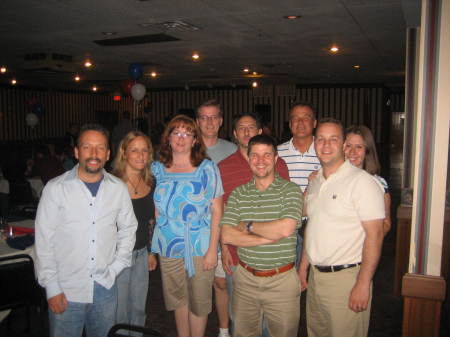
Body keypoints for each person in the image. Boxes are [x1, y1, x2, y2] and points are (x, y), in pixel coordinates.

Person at [35, 124, 138, 337]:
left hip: (105, 288)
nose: (94, 154)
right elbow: (44, 241)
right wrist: (52, 287)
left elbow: (128, 229)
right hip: (66, 289)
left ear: (108, 154)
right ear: (76, 152)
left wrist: (116, 267)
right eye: (87, 147)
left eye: (100, 148)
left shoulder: (118, 188)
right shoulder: (56, 189)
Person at [299, 118, 385, 337]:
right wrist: (303, 269)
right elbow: (314, 229)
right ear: (314, 143)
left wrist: (363, 283)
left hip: (347, 279)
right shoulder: (316, 181)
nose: (326, 145)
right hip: (316, 279)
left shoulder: (363, 182)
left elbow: (375, 236)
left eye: (333, 139)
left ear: (343, 144)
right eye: (320, 139)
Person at [221, 134, 303, 337]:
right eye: (255, 156)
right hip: (245, 279)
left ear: (276, 159)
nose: (260, 161)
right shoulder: (239, 194)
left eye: (267, 155)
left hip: (282, 280)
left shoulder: (291, 190)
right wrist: (268, 237)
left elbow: (286, 228)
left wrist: (248, 225)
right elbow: (227, 235)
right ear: (248, 159)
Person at [151, 115, 223, 337]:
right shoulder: (157, 169)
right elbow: (156, 210)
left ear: (195, 140)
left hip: (200, 245)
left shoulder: (206, 168)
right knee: (177, 299)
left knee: (199, 301)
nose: (181, 138)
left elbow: (217, 210)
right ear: (168, 138)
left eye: (187, 133)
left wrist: (213, 249)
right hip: (168, 245)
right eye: (176, 132)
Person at [196, 99, 236, 337]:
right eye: (204, 117)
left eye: (214, 117)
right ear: (197, 121)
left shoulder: (232, 150)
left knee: (221, 282)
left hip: (223, 226)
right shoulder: (187, 147)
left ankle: (223, 330)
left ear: (221, 121)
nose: (209, 122)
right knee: (197, 286)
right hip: (194, 230)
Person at [112, 131, 157, 336]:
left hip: (140, 254)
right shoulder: (112, 184)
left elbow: (150, 222)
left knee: (139, 310)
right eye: (134, 150)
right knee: (119, 312)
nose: (140, 155)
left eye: (144, 150)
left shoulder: (151, 182)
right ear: (124, 153)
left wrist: (150, 252)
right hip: (117, 256)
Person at [344, 125, 391, 235]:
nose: (352, 152)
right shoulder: (332, 179)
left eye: (359, 147)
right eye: (348, 146)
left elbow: (386, 224)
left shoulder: (378, 183)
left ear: (367, 151)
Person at [277, 102, 321, 192]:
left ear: (314, 123)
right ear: (290, 124)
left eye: (306, 118)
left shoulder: (325, 151)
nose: (300, 122)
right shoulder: (276, 153)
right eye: (295, 118)